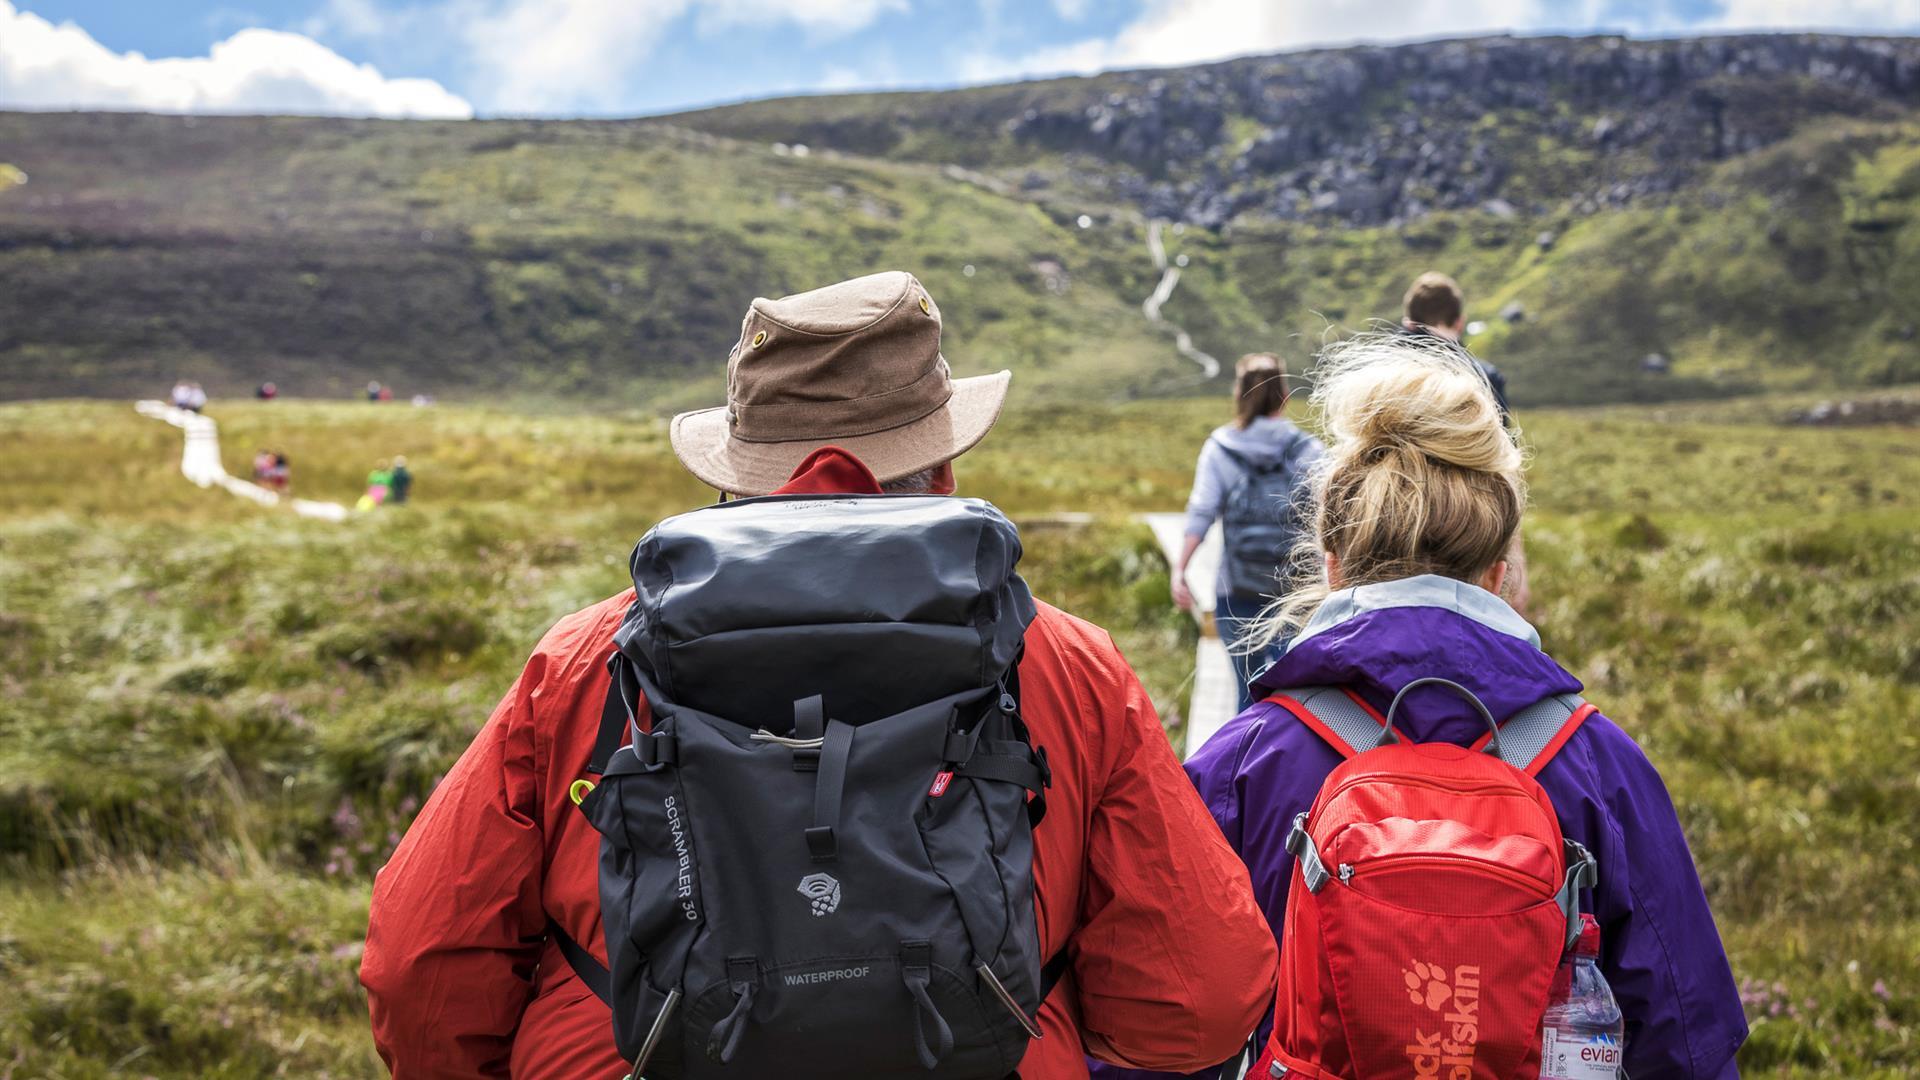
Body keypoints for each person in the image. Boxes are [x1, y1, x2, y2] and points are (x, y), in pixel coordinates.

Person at [361, 271, 1278, 1079]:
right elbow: (1199, 998)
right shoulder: (1069, 666)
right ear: (945, 461)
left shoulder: (585, 664)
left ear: (737, 472)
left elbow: (419, 970)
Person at [1181, 333, 1747, 1079]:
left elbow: (1156, 1024)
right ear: (1497, 572)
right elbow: (1685, 1040)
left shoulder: (1241, 765)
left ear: (1331, 563)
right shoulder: (1601, 766)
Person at [1173, 353, 1322, 712]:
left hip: (1235, 589)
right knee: (1297, 697)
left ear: (1239, 395)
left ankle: (1249, 762)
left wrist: (1181, 570)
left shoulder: (1220, 449)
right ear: (1285, 396)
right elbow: (1330, 514)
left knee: (1246, 693)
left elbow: (1202, 512)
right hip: (1296, 592)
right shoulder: (1309, 450)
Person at [1399, 271, 1510, 421]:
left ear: (1408, 321)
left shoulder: (1374, 371)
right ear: (1459, 323)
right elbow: (1501, 441)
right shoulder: (1484, 379)